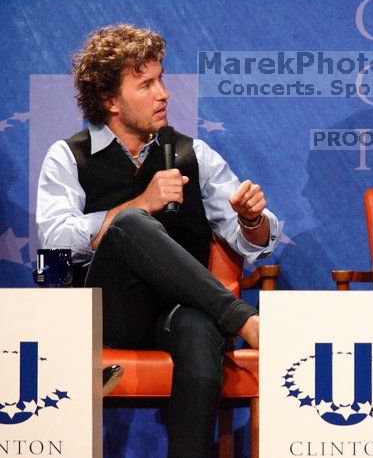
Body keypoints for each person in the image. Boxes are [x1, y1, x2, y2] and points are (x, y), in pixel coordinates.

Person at [35, 24, 281, 457]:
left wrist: (252, 219)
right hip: (109, 314)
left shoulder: (193, 154)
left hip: (178, 312)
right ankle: (245, 320)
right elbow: (55, 239)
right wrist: (137, 204)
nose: (164, 92)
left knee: (201, 328)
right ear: (110, 101)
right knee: (131, 224)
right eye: (146, 84)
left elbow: (255, 243)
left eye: (161, 79)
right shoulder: (67, 156)